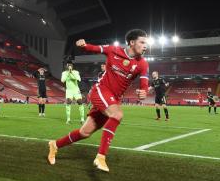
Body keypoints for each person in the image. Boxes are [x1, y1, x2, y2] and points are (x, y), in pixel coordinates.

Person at [48, 29, 149, 173]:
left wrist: (143, 92)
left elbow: (144, 83)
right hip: (100, 91)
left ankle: (55, 145)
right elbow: (96, 48)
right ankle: (101, 157)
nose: (145, 46)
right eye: (142, 42)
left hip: (113, 99)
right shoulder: (114, 50)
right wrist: (84, 45)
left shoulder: (142, 64)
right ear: (132, 42)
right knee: (117, 115)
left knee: (85, 132)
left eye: (146, 43)